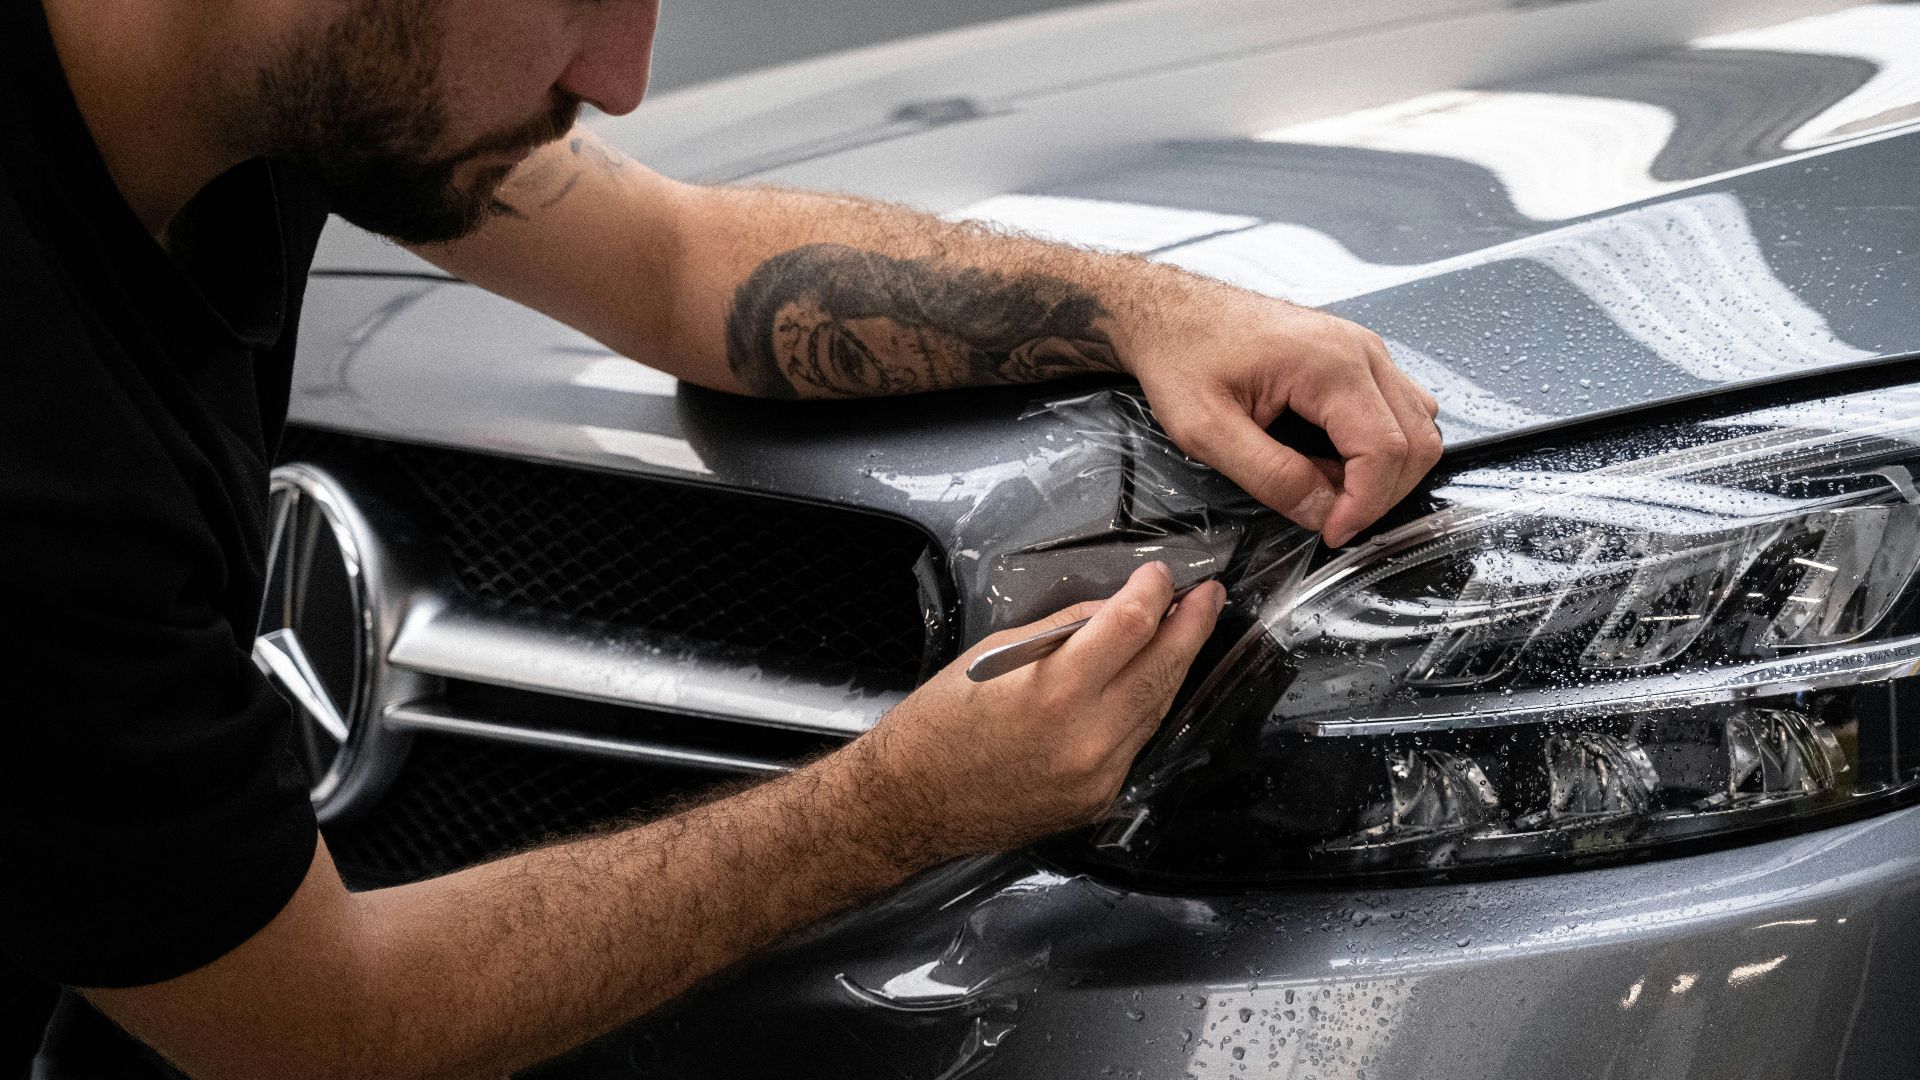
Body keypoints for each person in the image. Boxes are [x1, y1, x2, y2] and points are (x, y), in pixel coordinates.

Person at [0, 0, 1443, 1075]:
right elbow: (316, 1029)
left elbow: (674, 261)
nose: (618, 78)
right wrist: (906, 805)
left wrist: (1152, 310)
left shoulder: (280, 73)